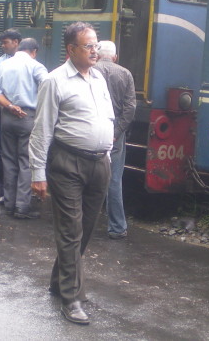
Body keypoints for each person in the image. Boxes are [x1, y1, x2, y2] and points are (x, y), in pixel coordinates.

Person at [29, 22, 114, 325]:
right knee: (70, 231)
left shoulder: (99, 78)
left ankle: (59, 280)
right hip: (68, 163)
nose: (95, 50)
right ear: (71, 50)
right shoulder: (54, 81)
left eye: (96, 44)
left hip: (99, 163)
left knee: (86, 230)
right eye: (88, 46)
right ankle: (71, 298)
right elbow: (41, 130)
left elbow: (107, 118)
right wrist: (38, 172)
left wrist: (108, 155)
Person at [0, 38, 48, 218]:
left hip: (7, 116)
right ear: (34, 51)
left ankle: (9, 203)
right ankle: (21, 207)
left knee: (8, 160)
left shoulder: (2, 65)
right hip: (27, 117)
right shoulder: (36, 66)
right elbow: (48, 86)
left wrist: (9, 106)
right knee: (25, 161)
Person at [93, 40, 135, 239]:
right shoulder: (125, 74)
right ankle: (117, 227)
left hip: (91, 127)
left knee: (86, 176)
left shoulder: (90, 71)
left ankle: (84, 223)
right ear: (115, 57)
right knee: (114, 179)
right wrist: (116, 131)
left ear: (98, 55)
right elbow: (130, 108)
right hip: (114, 129)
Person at [0, 29, 21, 205]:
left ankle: (19, 190)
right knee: (2, 150)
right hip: (3, 112)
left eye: (6, 42)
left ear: (16, 42)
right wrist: (3, 109)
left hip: (21, 113)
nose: (2, 46)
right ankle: (2, 189)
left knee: (20, 153)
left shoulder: (28, 62)